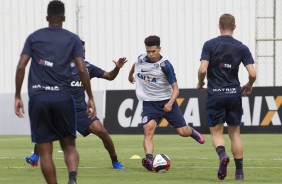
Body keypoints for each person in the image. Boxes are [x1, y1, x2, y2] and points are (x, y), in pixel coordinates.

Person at [14, 1, 96, 184]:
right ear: (64, 18)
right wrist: (90, 97)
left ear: (47, 18)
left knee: (44, 151)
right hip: (63, 97)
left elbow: (21, 66)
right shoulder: (72, 39)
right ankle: (72, 179)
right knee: (68, 145)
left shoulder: (34, 37)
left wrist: (17, 95)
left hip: (39, 97)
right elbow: (82, 70)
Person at [25, 40, 127, 170]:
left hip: (80, 111)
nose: (83, 52)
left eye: (84, 50)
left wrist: (117, 67)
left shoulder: (87, 67)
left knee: (102, 132)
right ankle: (35, 156)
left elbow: (109, 76)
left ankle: (115, 161)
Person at [128, 35, 205, 171]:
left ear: (159, 49)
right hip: (149, 103)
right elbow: (135, 65)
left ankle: (191, 132)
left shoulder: (165, 66)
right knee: (148, 130)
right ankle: (150, 161)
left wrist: (170, 103)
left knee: (182, 131)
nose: (151, 54)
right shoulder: (141, 58)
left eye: (153, 51)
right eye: (148, 51)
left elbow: (176, 89)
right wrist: (130, 75)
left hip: (166, 102)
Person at [197, 13, 256, 180]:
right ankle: (239, 173)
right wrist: (249, 85)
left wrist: (200, 82)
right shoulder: (241, 47)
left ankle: (222, 155)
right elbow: (252, 73)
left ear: (219, 26)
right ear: (234, 27)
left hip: (215, 94)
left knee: (216, 133)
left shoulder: (210, 45)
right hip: (233, 94)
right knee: (235, 134)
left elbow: (202, 70)